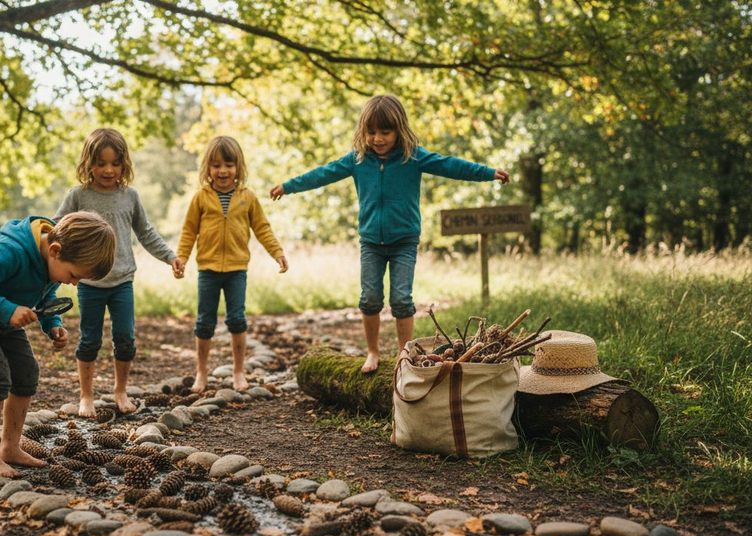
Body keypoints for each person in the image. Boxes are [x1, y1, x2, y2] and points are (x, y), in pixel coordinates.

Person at [270, 94, 510, 374]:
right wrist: (289, 186)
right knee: (370, 298)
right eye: (371, 132)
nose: (378, 138)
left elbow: (452, 165)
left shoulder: (414, 157)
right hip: (371, 241)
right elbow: (323, 174)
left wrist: (488, 172)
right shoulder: (357, 160)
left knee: (401, 299)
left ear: (399, 130)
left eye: (385, 132)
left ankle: (402, 353)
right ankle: (372, 352)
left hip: (404, 241)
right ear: (363, 131)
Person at [0, 211, 116, 477]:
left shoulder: (50, 258)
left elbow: (47, 292)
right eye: (74, 275)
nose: (74, 282)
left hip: (2, 315)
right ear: (55, 250)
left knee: (26, 372)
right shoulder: (11, 250)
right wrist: (8, 310)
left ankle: (10, 447)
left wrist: (52, 323)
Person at [54, 128, 183, 418]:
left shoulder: (130, 197)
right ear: (88, 163)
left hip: (122, 281)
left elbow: (146, 232)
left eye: (115, 163)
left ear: (124, 164)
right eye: (101, 163)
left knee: (125, 338)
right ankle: (86, 396)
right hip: (89, 282)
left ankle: (120, 391)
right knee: (90, 340)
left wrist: (170, 256)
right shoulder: (78, 196)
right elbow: (56, 226)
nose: (108, 170)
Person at [176, 136, 288, 392]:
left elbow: (263, 229)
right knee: (204, 322)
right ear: (208, 168)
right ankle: (201, 373)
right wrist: (181, 258)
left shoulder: (247, 197)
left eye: (229, 164)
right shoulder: (201, 198)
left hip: (237, 269)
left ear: (238, 167)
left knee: (237, 320)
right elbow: (188, 232)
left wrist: (277, 252)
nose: (223, 171)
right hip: (208, 269)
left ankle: (238, 372)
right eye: (216, 165)